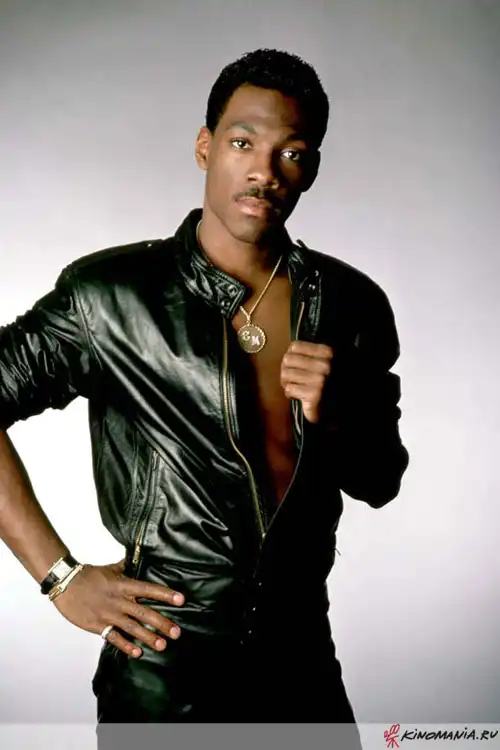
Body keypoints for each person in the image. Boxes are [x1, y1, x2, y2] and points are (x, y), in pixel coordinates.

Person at [0, 48, 408, 742]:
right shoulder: (111, 297)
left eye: (291, 154)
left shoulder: (351, 304)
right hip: (164, 675)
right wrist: (60, 576)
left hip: (303, 666)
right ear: (205, 147)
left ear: (310, 168)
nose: (264, 171)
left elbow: (381, 480)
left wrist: (340, 414)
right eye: (243, 143)